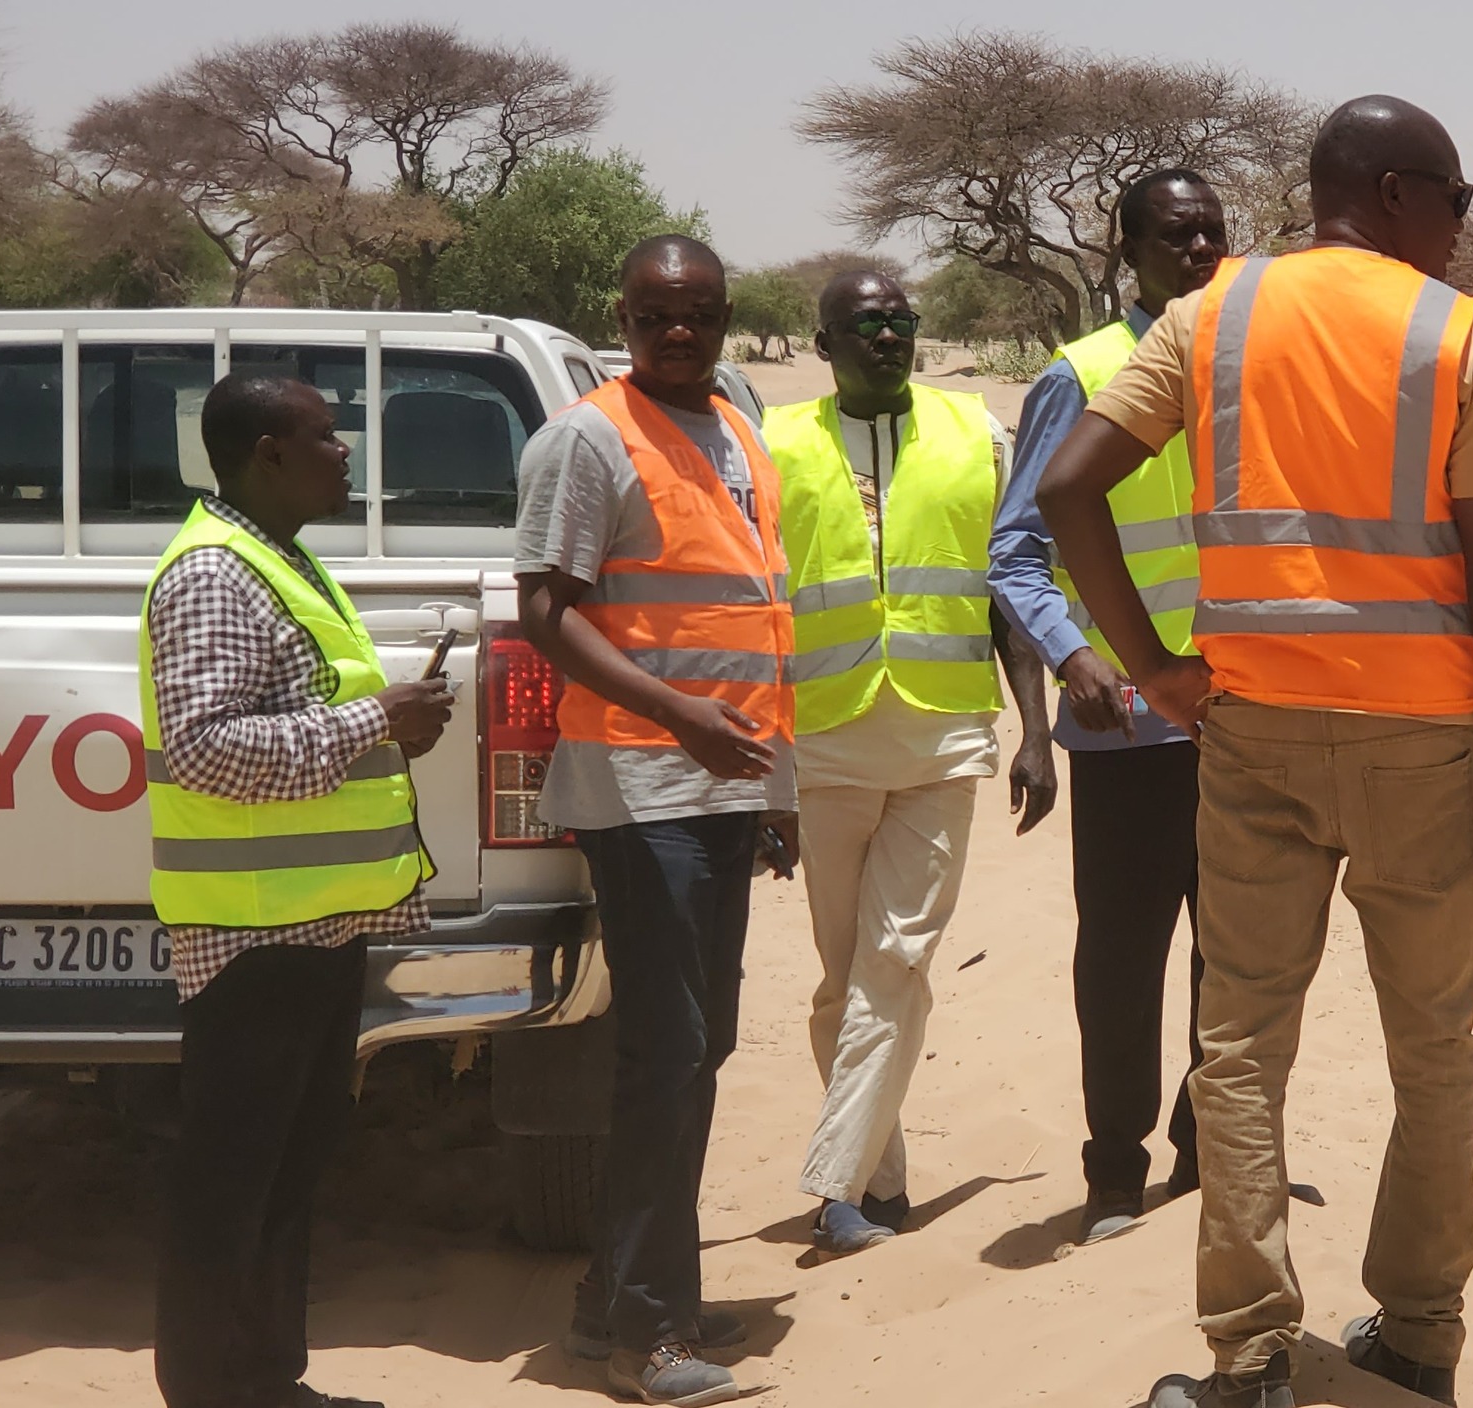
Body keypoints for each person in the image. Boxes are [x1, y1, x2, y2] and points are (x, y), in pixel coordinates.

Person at [1040, 96, 1473, 1408]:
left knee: (1239, 1044)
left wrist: (1153, 666)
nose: (1464, 230)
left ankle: (1251, 1354)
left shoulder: (1207, 316)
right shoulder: (1460, 340)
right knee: (1434, 1047)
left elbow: (1064, 489)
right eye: (1452, 200)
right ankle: (1422, 1337)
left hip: (1248, 735)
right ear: (1389, 192)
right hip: (1420, 749)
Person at [514, 234, 790, 1407]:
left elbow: (753, 614)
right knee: (666, 1055)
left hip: (724, 785)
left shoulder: (736, 427)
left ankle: (610, 1302)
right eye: (652, 314)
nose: (677, 332)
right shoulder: (586, 436)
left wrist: (769, 789)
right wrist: (677, 712)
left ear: (727, 317)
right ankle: (647, 1334)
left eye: (698, 313)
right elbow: (543, 611)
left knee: (696, 1048)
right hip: (641, 785)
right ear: (617, 319)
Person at [143, 373, 453, 1408]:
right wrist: (378, 721)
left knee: (284, 1164)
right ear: (269, 451)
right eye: (329, 435)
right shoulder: (216, 575)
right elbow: (202, 751)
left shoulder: (277, 557)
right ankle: (212, 1390)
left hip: (309, 923)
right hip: (252, 933)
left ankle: (267, 1383)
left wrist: (385, 715)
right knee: (231, 1176)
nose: (347, 451)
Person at [767, 270, 1056, 1257]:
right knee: (839, 978)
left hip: (940, 742)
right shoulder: (774, 446)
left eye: (901, 322)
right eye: (865, 325)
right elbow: (757, 609)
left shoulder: (978, 431)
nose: (887, 337)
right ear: (824, 340)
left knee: (894, 959)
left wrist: (1036, 730)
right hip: (825, 741)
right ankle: (877, 1179)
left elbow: (1009, 592)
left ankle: (833, 1183)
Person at [991, 168, 1229, 1245]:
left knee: (1236, 953)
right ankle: (1114, 1171)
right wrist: (1070, 655)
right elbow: (1015, 555)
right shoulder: (1078, 374)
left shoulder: (1246, 367)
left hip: (1243, 723)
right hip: (1129, 726)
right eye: (1175, 236)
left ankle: (1209, 1148)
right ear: (1123, 251)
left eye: (1212, 234)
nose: (1198, 251)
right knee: (1124, 958)